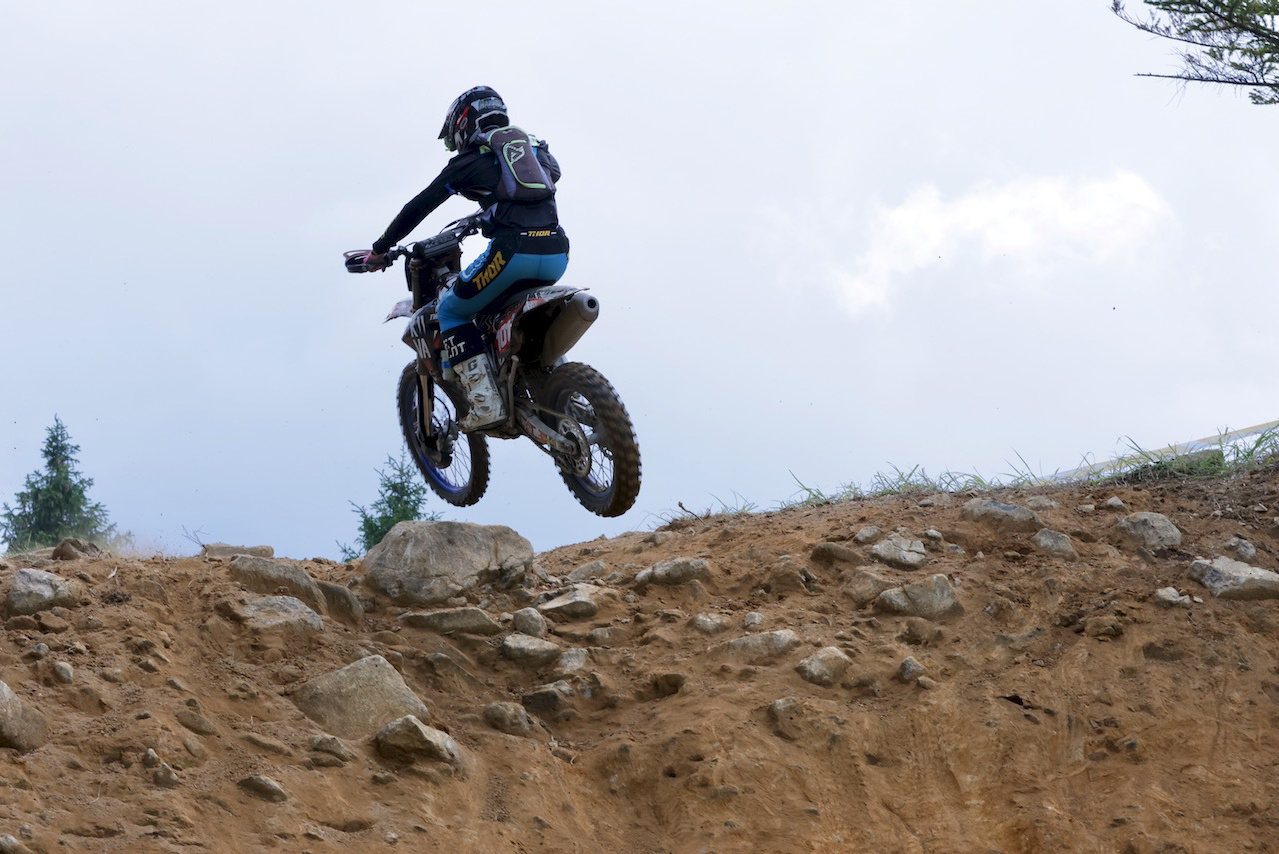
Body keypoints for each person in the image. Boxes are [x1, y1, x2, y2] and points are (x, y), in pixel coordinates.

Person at [360, 86, 568, 431]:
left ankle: (485, 404)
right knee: (498, 308)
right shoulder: (535, 151)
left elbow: (418, 207)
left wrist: (380, 249)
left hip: (512, 254)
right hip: (557, 252)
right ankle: (560, 389)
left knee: (451, 311)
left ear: (463, 124)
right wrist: (489, 209)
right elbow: (550, 176)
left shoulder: (468, 162)